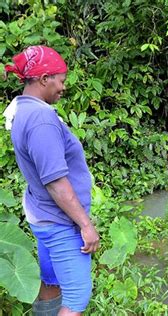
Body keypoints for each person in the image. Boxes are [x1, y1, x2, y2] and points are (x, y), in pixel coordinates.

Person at [4, 46, 99, 315]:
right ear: (44, 79)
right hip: (61, 222)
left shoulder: (21, 109)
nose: (63, 87)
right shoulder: (41, 120)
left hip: (42, 215)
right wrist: (85, 225)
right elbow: (56, 183)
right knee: (77, 298)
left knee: (51, 282)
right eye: (61, 80)